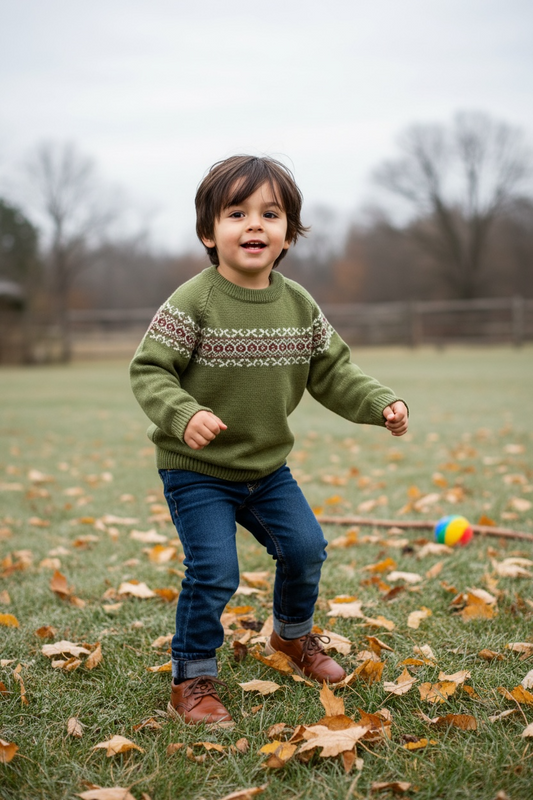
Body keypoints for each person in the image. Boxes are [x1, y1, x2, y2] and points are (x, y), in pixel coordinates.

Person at [130, 155, 408, 727]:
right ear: (209, 231)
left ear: (288, 233)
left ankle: (292, 636)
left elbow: (334, 372)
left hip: (266, 470)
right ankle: (193, 677)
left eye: (270, 213)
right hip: (197, 468)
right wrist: (183, 414)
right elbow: (149, 370)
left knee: (306, 548)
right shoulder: (194, 301)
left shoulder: (299, 304)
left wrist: (380, 402)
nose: (254, 224)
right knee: (214, 570)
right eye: (236, 213)